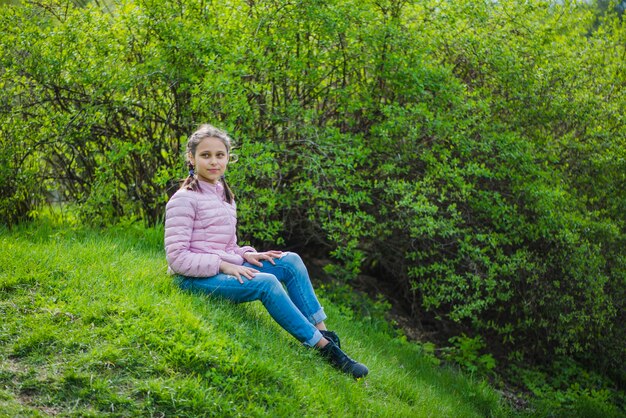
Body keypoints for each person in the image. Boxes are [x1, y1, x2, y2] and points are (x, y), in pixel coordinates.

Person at [164, 124, 368, 378]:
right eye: (206, 155)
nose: (214, 161)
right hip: (192, 279)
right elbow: (177, 257)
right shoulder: (184, 199)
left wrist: (246, 254)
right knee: (267, 283)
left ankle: (323, 332)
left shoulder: (225, 196)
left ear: (229, 158)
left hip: (221, 266)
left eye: (220, 155)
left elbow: (227, 245)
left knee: (290, 261)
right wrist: (224, 265)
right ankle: (324, 348)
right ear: (191, 158)